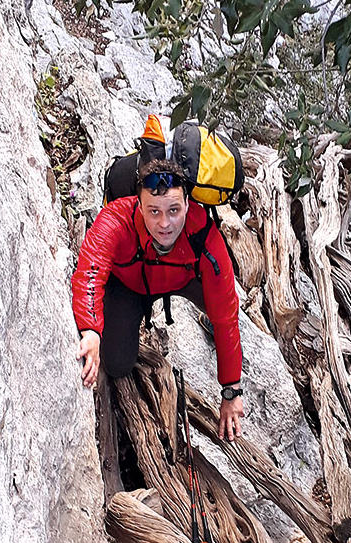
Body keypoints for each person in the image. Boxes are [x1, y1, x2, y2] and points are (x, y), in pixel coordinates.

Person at [71, 159, 245, 441]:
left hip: (183, 278)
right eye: (154, 211)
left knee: (220, 310)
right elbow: (91, 270)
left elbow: (226, 317)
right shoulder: (116, 219)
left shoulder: (203, 237)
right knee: (117, 365)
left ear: (188, 204)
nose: (165, 224)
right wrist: (91, 331)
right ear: (139, 206)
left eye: (174, 210)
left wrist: (231, 390)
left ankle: (205, 320)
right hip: (129, 285)